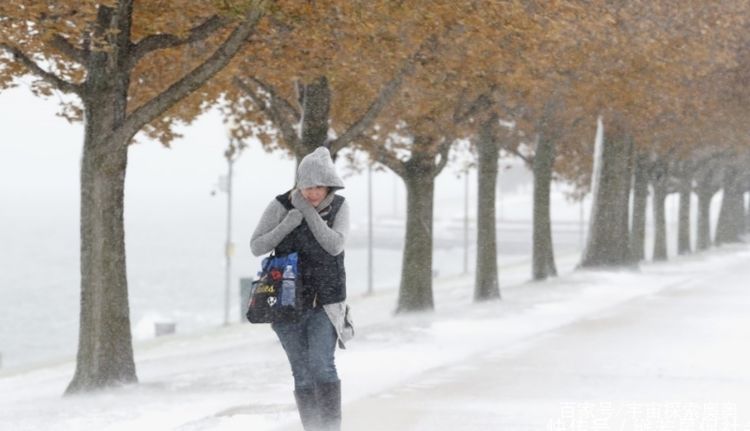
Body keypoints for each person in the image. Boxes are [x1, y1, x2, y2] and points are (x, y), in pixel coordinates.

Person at [250, 146, 353, 431]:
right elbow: (257, 246)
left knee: (322, 365)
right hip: (285, 304)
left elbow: (334, 245)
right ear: (299, 183)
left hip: (326, 302)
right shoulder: (281, 205)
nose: (312, 193)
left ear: (328, 184)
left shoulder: (340, 206)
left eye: (318, 186)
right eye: (307, 186)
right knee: (302, 373)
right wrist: (286, 223)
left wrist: (307, 212)